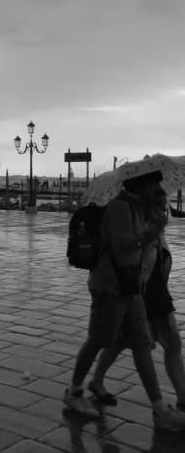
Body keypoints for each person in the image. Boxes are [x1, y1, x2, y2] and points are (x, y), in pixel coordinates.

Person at [63, 171, 185, 432]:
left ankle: (161, 411)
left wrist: (155, 220)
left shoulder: (141, 208)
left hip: (132, 287)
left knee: (142, 345)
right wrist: (153, 231)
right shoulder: (120, 208)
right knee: (98, 340)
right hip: (111, 286)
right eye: (154, 183)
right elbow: (121, 246)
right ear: (141, 185)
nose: (158, 188)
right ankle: (73, 392)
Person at [89, 186, 185, 412]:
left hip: (155, 289)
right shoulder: (146, 228)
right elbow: (139, 258)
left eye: (165, 205)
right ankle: (177, 401)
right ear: (149, 206)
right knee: (168, 342)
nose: (164, 209)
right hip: (145, 290)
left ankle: (97, 380)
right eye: (159, 204)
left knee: (123, 340)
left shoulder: (157, 229)